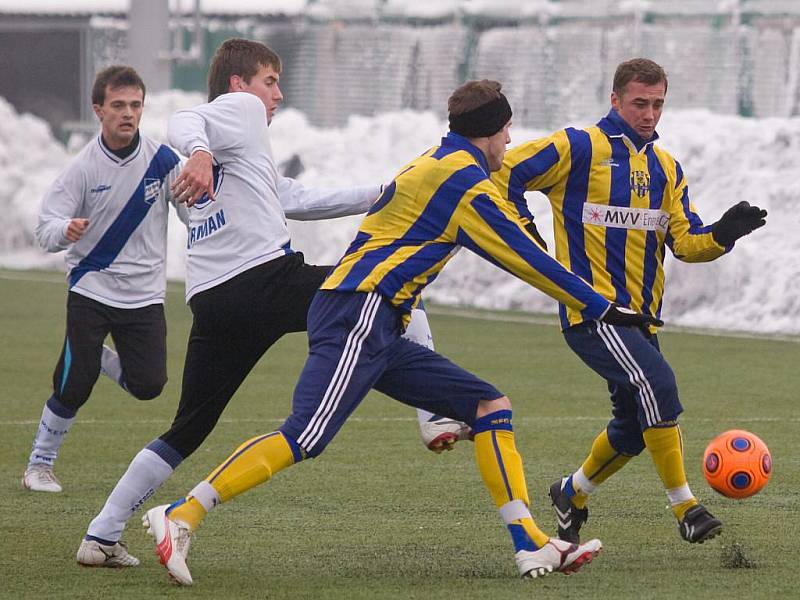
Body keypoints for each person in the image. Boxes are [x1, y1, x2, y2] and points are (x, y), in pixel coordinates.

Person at [141, 79, 663, 586]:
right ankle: (182, 513)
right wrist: (603, 307)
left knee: (489, 407)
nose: (510, 142)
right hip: (359, 312)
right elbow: (523, 259)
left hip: (382, 317)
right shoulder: (465, 183)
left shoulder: (435, 161)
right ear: (489, 132)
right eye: (507, 132)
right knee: (305, 435)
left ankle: (528, 542)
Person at [76, 38, 437, 568]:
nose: (278, 94)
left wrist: (384, 192)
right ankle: (436, 414)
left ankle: (100, 535)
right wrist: (198, 150)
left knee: (189, 426)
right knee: (396, 286)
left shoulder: (241, 158)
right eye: (270, 81)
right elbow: (181, 119)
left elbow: (299, 200)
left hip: (215, 301)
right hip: (265, 280)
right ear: (239, 86)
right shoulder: (236, 115)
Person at [491, 58, 767, 546]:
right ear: (615, 100)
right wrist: (527, 236)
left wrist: (724, 234)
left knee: (636, 426)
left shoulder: (665, 167)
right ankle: (686, 507)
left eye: (658, 104)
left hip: (640, 319)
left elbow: (685, 243)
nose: (650, 114)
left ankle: (570, 492)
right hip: (592, 313)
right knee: (657, 384)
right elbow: (501, 171)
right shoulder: (578, 146)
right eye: (640, 103)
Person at [24, 66, 188, 496]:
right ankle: (40, 463)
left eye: (135, 105)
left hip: (144, 295)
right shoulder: (81, 168)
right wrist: (66, 230)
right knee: (73, 384)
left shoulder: (163, 160)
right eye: (118, 105)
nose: (128, 113)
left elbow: (195, 212)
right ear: (99, 110)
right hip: (91, 287)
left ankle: (91, 354)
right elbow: (45, 230)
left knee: (149, 387)